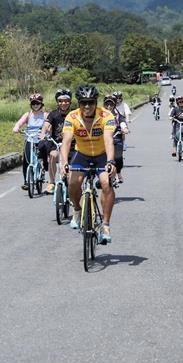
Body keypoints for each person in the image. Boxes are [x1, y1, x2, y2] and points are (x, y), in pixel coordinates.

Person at [60, 84, 117, 244]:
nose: (87, 106)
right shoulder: (72, 117)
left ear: (96, 102)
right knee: (73, 183)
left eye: (91, 102)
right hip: (82, 155)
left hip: (102, 155)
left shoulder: (106, 115)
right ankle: (77, 210)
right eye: (83, 103)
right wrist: (64, 163)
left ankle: (105, 225)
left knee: (106, 184)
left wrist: (111, 161)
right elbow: (66, 141)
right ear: (79, 103)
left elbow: (108, 140)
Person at [12, 92, 52, 191]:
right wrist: (16, 128)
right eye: (33, 103)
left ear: (41, 104)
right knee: (26, 160)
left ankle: (44, 164)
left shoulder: (45, 115)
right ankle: (26, 181)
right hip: (30, 139)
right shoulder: (28, 115)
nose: (35, 105)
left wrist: (48, 131)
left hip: (41, 139)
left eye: (37, 103)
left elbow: (50, 125)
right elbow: (19, 123)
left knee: (43, 151)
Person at [40, 88, 72, 193]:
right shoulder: (53, 114)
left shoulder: (74, 114)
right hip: (56, 143)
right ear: (57, 102)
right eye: (61, 101)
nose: (64, 103)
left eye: (66, 101)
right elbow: (46, 125)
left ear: (70, 102)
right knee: (53, 155)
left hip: (72, 144)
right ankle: (52, 182)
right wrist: (43, 134)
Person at [104, 94, 128, 187]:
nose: (109, 106)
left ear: (114, 105)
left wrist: (124, 128)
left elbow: (122, 122)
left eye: (111, 104)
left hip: (116, 137)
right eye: (107, 104)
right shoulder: (100, 115)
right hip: (104, 139)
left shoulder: (117, 115)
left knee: (118, 156)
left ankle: (118, 173)